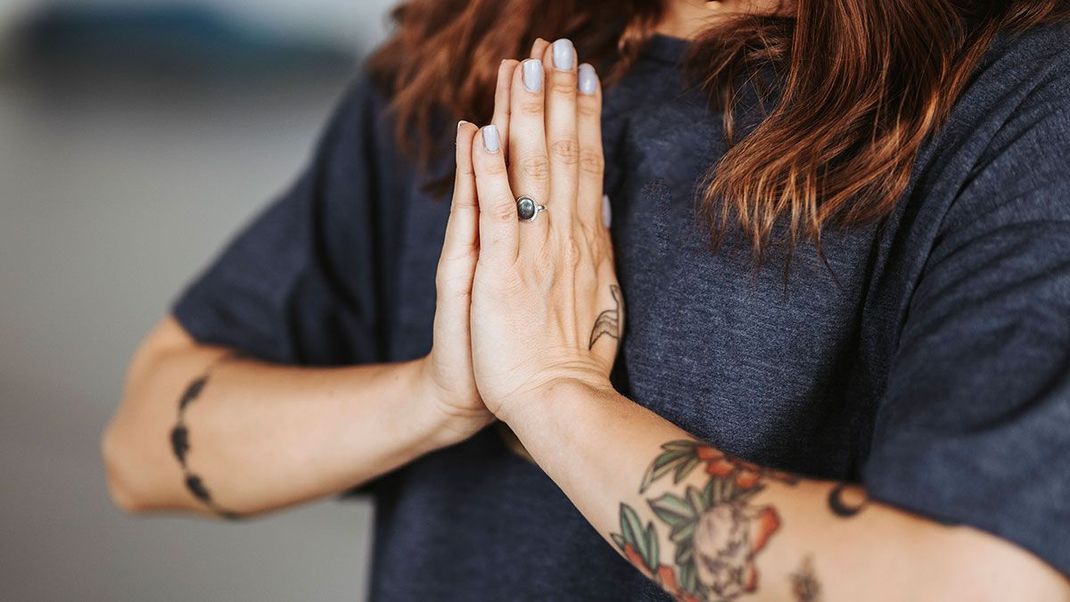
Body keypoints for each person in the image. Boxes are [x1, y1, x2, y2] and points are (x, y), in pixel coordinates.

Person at [102, 0, 1070, 599]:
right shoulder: (471, 44)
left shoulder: (1021, 96)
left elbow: (979, 580)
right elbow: (145, 441)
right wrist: (437, 395)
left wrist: (557, 395)